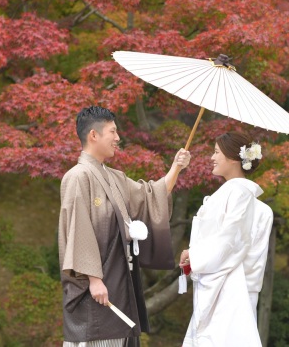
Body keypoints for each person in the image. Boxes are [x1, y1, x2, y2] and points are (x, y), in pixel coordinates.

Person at [58, 106, 191, 347]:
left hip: (120, 278)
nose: (118, 138)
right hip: (95, 285)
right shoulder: (78, 176)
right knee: (96, 338)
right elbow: (78, 230)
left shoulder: (115, 177)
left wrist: (176, 167)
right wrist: (94, 279)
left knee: (118, 338)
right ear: (94, 135)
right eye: (113, 131)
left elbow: (151, 195)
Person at [179, 131, 273, 347]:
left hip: (229, 285)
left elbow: (231, 241)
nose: (212, 158)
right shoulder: (238, 194)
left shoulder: (238, 193)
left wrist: (194, 254)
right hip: (228, 281)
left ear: (233, 158)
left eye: (216, 152)